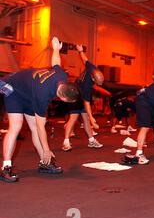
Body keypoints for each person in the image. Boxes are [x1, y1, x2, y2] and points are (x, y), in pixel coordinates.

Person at [0, 37, 79, 182]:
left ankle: (45, 162)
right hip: (12, 87)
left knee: (35, 128)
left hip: (29, 93)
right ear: (63, 99)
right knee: (16, 126)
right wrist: (48, 149)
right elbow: (42, 127)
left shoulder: (62, 76)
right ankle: (5, 167)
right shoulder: (43, 96)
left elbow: (56, 62)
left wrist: (56, 48)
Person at [62, 44, 104, 151]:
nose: (98, 85)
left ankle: (91, 140)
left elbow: (85, 60)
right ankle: (66, 142)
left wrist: (80, 51)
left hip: (79, 92)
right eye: (97, 83)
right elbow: (87, 103)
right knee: (74, 117)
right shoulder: (87, 86)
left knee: (85, 118)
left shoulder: (92, 68)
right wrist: (92, 118)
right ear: (93, 79)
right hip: (74, 93)